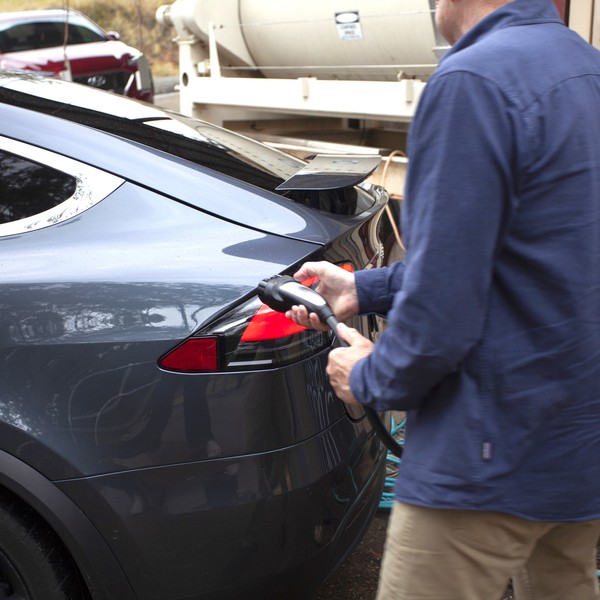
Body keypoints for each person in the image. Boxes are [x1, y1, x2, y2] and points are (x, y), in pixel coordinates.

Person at [286, 0, 600, 598]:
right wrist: (363, 288)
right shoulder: (588, 71)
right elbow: (533, 262)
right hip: (577, 457)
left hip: (484, 463)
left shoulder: (473, 82)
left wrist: (371, 375)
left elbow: (443, 316)